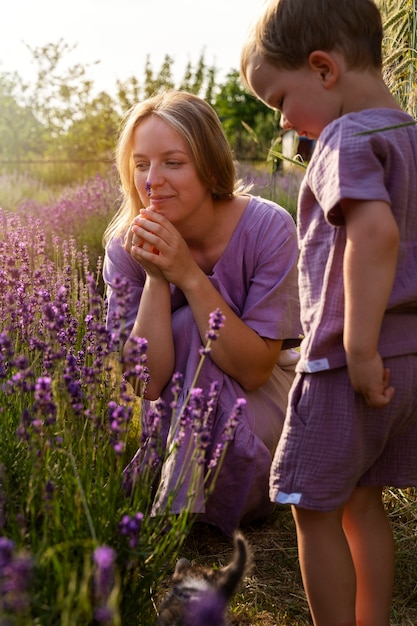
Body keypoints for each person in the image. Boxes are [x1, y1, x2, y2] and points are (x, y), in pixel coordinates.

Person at [240, 0, 417, 624]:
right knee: (362, 499)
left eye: (280, 102)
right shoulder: (411, 136)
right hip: (409, 358)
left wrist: (359, 350)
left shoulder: (347, 136)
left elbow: (374, 237)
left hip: (351, 361)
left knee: (310, 506)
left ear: (323, 69)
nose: (286, 123)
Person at [102, 90, 301, 537]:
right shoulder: (125, 247)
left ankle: (185, 500)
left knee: (194, 324)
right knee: (184, 327)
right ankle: (188, 500)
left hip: (262, 401)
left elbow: (254, 371)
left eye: (173, 162)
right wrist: (156, 277)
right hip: (173, 412)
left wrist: (189, 275)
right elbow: (147, 383)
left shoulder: (268, 228)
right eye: (140, 164)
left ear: (210, 166)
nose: (152, 180)